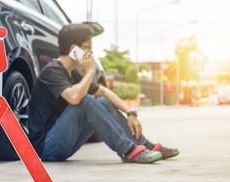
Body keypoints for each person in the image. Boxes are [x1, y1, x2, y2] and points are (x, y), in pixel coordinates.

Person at [28, 23, 179, 164]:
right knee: (85, 101)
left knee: (104, 102)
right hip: (46, 148)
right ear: (74, 50)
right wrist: (90, 71)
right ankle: (128, 150)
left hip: (62, 144)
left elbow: (103, 91)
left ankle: (143, 144)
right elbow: (74, 98)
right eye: (87, 48)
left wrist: (130, 113)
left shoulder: (73, 73)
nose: (91, 53)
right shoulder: (52, 70)